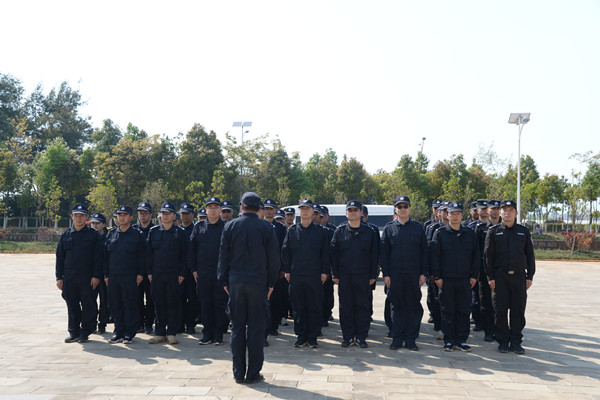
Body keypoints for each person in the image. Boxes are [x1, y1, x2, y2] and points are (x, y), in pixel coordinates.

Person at [218, 192, 280, 384]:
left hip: (236, 283)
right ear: (259, 208)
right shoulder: (267, 228)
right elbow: (274, 260)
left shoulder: (230, 226)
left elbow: (223, 258)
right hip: (258, 283)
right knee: (256, 329)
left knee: (237, 328)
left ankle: (238, 373)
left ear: (242, 207)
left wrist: (225, 282)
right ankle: (253, 373)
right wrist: (271, 284)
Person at [484, 200, 535, 354]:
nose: (507, 213)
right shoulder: (493, 231)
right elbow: (488, 257)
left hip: (519, 277)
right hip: (500, 277)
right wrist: (490, 277)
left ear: (516, 213)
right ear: (500, 213)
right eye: (504, 210)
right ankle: (503, 341)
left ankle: (516, 341)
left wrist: (530, 276)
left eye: (511, 210)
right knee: (500, 310)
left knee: (518, 310)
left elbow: (530, 255)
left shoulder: (523, 231)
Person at [380, 196, 428, 351]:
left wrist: (423, 274)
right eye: (399, 207)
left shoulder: (417, 228)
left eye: (405, 206)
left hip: (413, 275)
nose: (402, 209)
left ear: (410, 209)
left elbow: (424, 252)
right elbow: (384, 254)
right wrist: (386, 274)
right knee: (397, 307)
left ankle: (410, 339)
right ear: (395, 210)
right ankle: (397, 337)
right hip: (395, 276)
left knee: (413, 307)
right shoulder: (389, 229)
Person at [431, 202, 479, 352]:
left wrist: (474, 275)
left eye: (458, 213)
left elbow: (475, 256)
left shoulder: (470, 234)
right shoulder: (440, 233)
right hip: (446, 279)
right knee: (447, 310)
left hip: (465, 279)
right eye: (452, 213)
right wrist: (437, 277)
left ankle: (462, 340)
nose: (455, 216)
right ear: (447, 215)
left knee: (464, 310)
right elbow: (434, 257)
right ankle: (449, 340)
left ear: (462, 215)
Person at [281, 199, 330, 348]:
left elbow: (325, 254)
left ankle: (313, 336)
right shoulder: (292, 230)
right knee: (298, 307)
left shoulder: (321, 231)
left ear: (313, 212)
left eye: (308, 209)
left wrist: (324, 271)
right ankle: (301, 336)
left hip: (314, 275)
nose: (305, 211)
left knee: (314, 306)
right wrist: (287, 270)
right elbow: (285, 252)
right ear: (299, 212)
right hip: (296, 275)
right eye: (302, 209)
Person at [330, 200, 379, 348]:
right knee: (346, 308)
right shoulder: (339, 231)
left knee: (362, 307)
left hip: (363, 276)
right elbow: (333, 255)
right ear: (346, 213)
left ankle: (361, 337)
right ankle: (348, 337)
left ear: (361, 213)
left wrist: (373, 275)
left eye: (355, 210)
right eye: (350, 210)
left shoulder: (370, 232)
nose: (352, 212)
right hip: (345, 277)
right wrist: (335, 274)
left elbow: (375, 255)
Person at [55, 204, 103, 343]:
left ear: (86, 217)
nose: (79, 218)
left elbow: (99, 257)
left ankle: (85, 331)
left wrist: (96, 276)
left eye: (81, 216)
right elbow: (60, 257)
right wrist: (59, 277)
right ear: (72, 217)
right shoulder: (66, 235)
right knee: (72, 305)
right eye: (76, 216)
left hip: (87, 277)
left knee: (88, 305)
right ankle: (74, 332)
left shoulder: (93, 235)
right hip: (70, 277)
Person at [145, 202, 188, 345]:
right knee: (158, 302)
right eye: (163, 213)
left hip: (174, 274)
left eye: (168, 213)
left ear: (174, 215)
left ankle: (171, 332)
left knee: (173, 302)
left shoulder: (180, 233)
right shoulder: (154, 231)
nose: (165, 216)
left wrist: (182, 273)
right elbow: (149, 254)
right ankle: (160, 332)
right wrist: (149, 272)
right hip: (157, 274)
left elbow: (184, 255)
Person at [189, 197, 228, 346]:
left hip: (219, 273)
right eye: (210, 207)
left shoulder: (225, 227)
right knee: (205, 304)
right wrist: (193, 269)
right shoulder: (199, 227)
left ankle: (218, 335)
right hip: (203, 273)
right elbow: (191, 250)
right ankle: (207, 334)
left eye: (215, 207)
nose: (212, 210)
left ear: (220, 210)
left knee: (219, 304)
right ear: (206, 210)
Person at [104, 206, 145, 344]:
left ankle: (129, 333)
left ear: (131, 217)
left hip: (130, 275)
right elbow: (106, 256)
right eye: (119, 215)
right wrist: (106, 274)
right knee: (115, 304)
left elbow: (142, 256)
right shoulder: (111, 234)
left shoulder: (137, 235)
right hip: (114, 275)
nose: (122, 217)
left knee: (130, 303)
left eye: (125, 215)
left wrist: (140, 273)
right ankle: (118, 331)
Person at [474, 199, 501, 341]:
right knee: (485, 302)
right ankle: (488, 331)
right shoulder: (481, 228)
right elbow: (476, 251)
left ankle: (499, 330)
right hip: (485, 271)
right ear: (488, 210)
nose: (495, 211)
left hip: (501, 271)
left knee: (500, 302)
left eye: (498, 208)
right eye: (493, 208)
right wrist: (476, 271)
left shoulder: (506, 228)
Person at [263, 198, 287, 337]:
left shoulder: (280, 228)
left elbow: (284, 249)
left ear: (275, 210)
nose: (268, 211)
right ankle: (264, 327)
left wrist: (283, 268)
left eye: (271, 208)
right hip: (260, 270)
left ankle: (273, 326)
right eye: (266, 208)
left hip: (276, 270)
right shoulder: (258, 225)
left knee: (276, 300)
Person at [133, 202, 155, 334]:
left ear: (150, 215)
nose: (142, 216)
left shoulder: (156, 230)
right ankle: (139, 323)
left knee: (151, 299)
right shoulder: (134, 230)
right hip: (137, 271)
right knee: (137, 298)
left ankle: (148, 323)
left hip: (151, 271)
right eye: (140, 213)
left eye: (145, 213)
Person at [179, 202, 199, 334]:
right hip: (179, 271)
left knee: (193, 298)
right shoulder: (176, 230)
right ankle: (179, 324)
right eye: (183, 214)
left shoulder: (196, 230)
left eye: (188, 214)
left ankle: (191, 324)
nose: (185, 216)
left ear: (193, 215)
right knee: (179, 298)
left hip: (193, 271)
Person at [90, 212, 110, 334]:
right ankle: (91, 325)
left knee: (105, 302)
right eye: (93, 223)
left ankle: (102, 324)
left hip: (105, 275)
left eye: (97, 223)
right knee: (91, 301)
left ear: (104, 224)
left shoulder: (110, 237)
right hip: (92, 275)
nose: (95, 225)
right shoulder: (88, 237)